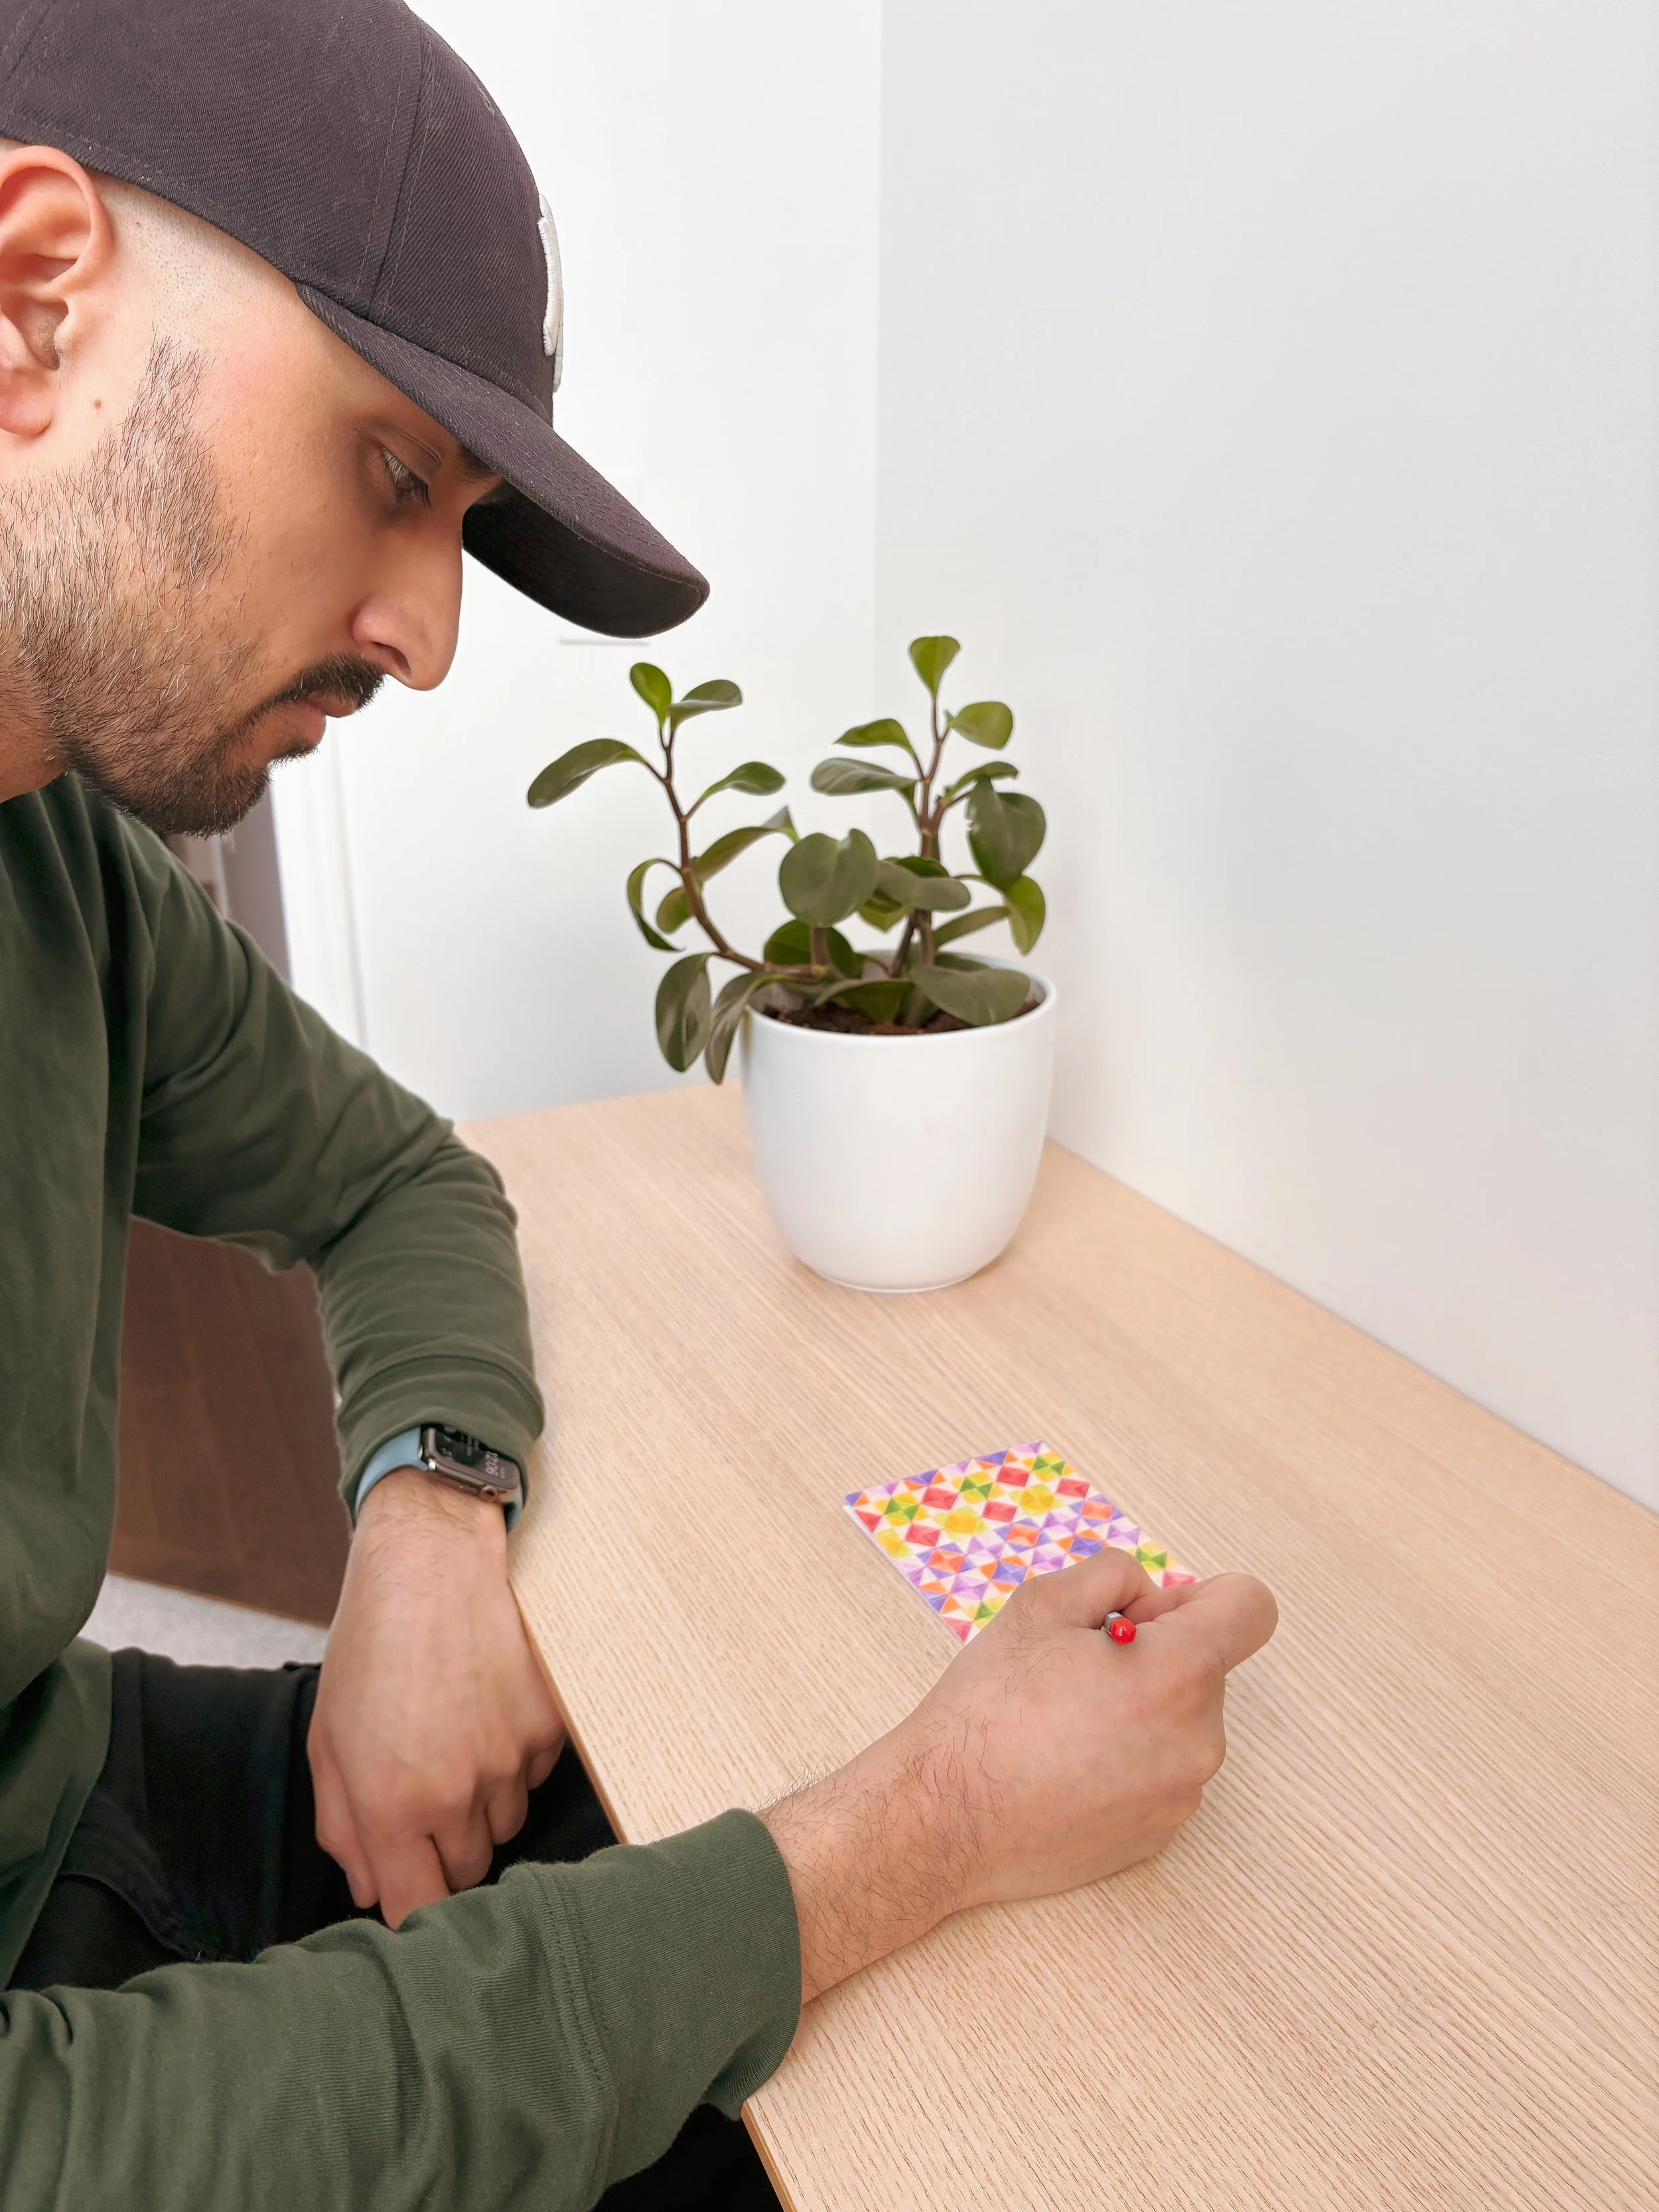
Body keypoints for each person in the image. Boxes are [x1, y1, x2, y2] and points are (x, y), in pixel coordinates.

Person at [0, 2, 1279, 2207]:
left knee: (697, 1835)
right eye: (392, 471)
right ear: (36, 289)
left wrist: (419, 1513)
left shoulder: (59, 867)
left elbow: (404, 1179)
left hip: (63, 1797)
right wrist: (927, 1825)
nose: (427, 637)